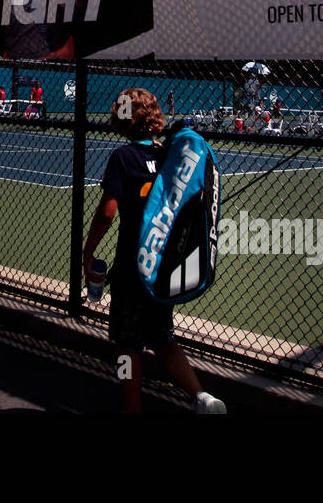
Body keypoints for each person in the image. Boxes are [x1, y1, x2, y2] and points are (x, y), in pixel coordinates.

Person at [81, 87, 226, 414]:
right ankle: (202, 397)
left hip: (131, 270)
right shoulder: (170, 156)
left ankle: (131, 407)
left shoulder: (123, 157)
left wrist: (88, 252)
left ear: (122, 119)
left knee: (125, 347)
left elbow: (107, 212)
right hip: (160, 266)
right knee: (163, 339)